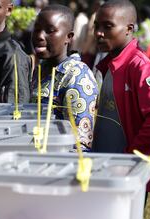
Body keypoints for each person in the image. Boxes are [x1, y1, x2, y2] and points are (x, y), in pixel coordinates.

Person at [92, 0, 150, 219]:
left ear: (129, 28)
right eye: (97, 26)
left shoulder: (139, 66)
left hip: (130, 181)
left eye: (107, 26)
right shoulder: (106, 65)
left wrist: (131, 159)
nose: (99, 33)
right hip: (105, 175)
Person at [31, 4, 99, 151]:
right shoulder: (41, 69)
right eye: (36, 29)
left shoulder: (77, 76)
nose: (39, 36)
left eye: (50, 31)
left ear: (68, 37)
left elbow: (80, 146)